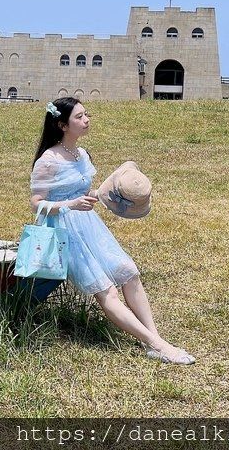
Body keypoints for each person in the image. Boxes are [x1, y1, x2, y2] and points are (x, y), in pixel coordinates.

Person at [29, 96, 195, 365]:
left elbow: (81, 191)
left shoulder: (81, 154)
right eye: (79, 117)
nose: (86, 120)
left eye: (87, 115)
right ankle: (158, 345)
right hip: (63, 230)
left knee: (129, 273)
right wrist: (70, 204)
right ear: (62, 125)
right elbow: (36, 205)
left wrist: (101, 195)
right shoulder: (48, 161)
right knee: (106, 290)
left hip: (89, 224)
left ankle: (155, 340)